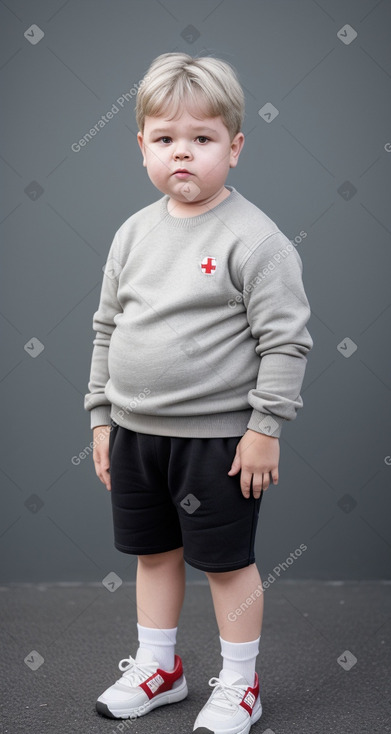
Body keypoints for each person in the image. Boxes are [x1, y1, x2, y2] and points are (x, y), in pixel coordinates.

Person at [84, 51, 313, 734]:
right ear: (142, 148)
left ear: (234, 147)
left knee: (225, 564)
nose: (182, 153)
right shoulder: (132, 233)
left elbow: (286, 341)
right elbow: (105, 328)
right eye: (165, 139)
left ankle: (240, 685)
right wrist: (101, 420)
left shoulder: (256, 239)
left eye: (202, 139)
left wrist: (265, 426)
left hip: (217, 443)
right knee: (153, 555)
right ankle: (160, 668)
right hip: (135, 435)